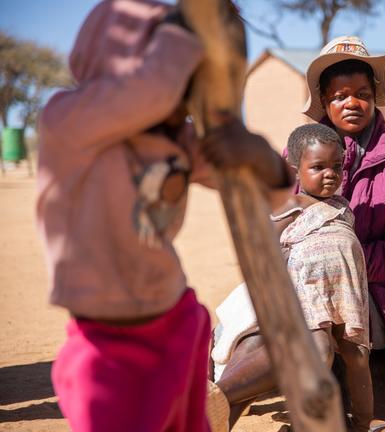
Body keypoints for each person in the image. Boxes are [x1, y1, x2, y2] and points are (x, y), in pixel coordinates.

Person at [35, 1, 291, 431]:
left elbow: (267, 194)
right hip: (105, 344)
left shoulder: (175, 139)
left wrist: (258, 154)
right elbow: (146, 94)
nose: (184, 98)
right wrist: (190, 32)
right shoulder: (66, 122)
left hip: (178, 324)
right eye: (181, 73)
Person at [213, 123, 375, 431]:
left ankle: (364, 422)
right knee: (319, 351)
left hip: (347, 295)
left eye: (337, 166)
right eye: (318, 167)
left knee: (357, 356)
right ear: (295, 171)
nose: (330, 174)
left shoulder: (342, 207)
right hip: (306, 299)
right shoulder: (292, 206)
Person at [302, 35, 385, 371]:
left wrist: (344, 264)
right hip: (307, 281)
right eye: (339, 96)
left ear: (374, 97)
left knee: (328, 336)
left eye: (362, 94)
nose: (352, 103)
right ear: (324, 101)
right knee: (249, 314)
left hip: (377, 292)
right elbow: (280, 222)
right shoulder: (299, 152)